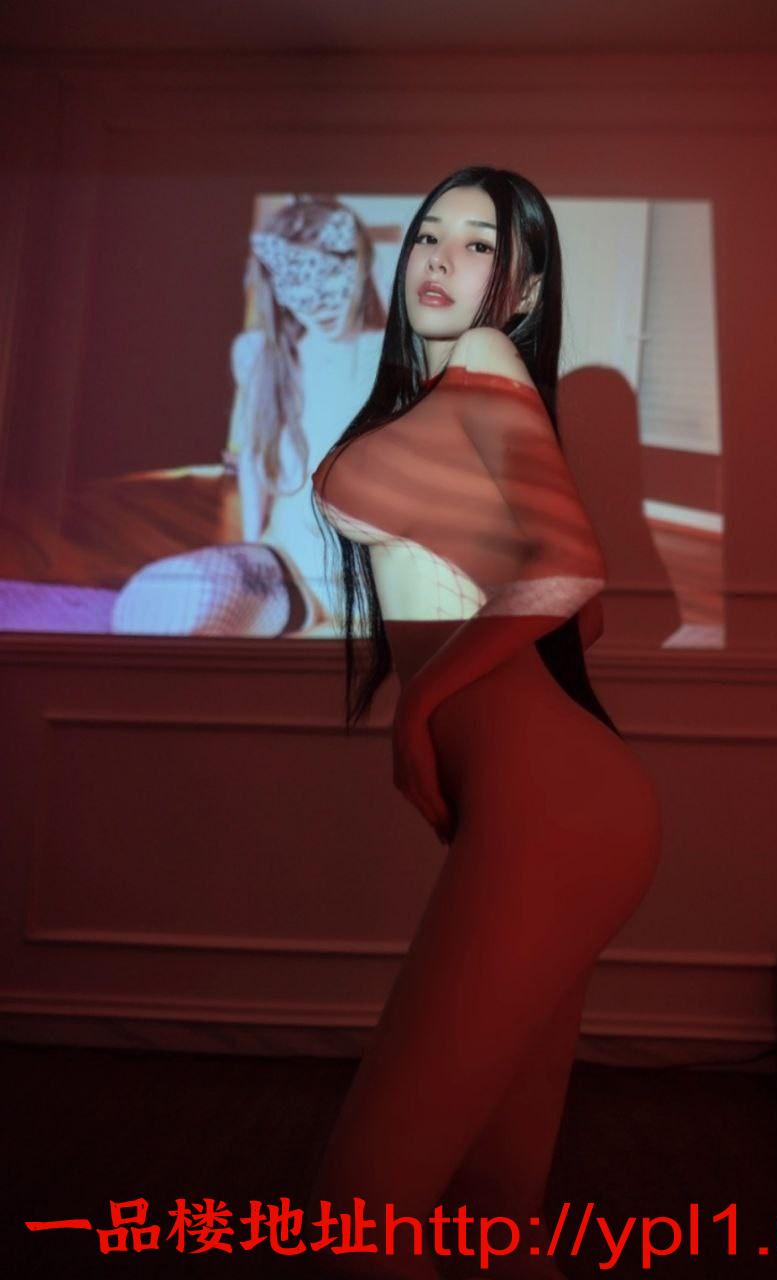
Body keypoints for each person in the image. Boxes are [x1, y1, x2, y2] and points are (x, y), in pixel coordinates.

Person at [305, 167, 663, 1279]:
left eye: (479, 245)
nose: (440, 260)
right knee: (491, 1217)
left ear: (524, 288)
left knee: (355, 1221)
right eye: (429, 235)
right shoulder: (448, 404)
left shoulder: (487, 361)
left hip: (548, 809)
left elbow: (571, 575)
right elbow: (584, 617)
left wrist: (421, 702)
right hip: (562, 806)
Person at [111, 195, 383, 638]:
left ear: (360, 265)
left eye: (331, 274)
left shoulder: (403, 358)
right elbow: (255, 460)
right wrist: (254, 552)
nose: (317, 300)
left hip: (378, 582)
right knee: (153, 605)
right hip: (291, 568)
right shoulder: (260, 356)